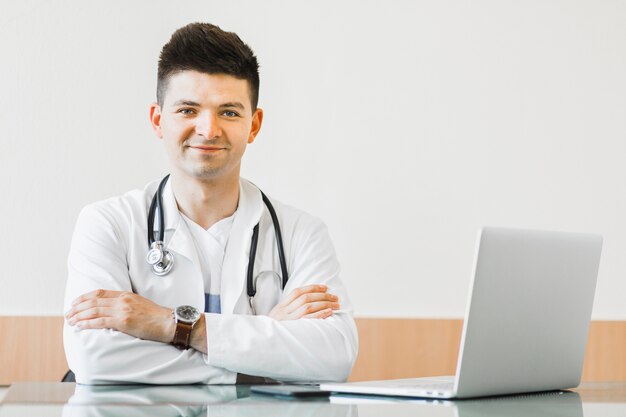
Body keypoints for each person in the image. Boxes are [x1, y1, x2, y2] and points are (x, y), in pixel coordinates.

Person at [63, 22, 358, 384]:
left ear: (254, 124)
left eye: (229, 112)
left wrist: (170, 324)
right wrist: (260, 353)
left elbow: (334, 355)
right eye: (188, 110)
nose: (208, 129)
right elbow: (94, 359)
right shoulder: (108, 223)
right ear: (158, 120)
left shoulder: (301, 234)